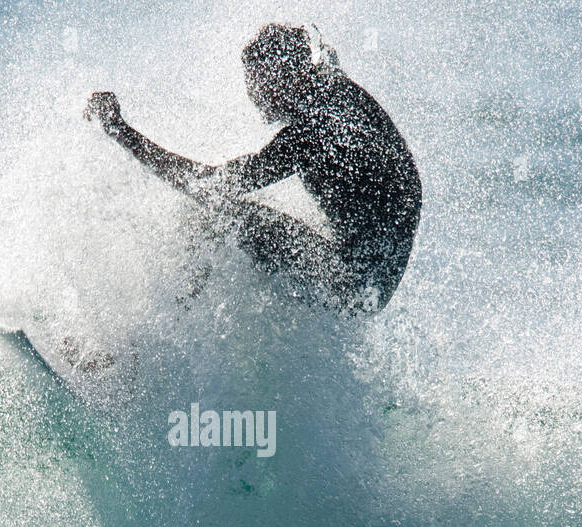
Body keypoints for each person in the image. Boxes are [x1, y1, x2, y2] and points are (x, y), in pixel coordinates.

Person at [85, 23, 422, 312]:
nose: (253, 94)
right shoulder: (333, 94)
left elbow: (207, 183)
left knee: (218, 215)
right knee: (246, 226)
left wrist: (120, 129)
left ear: (287, 74)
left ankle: (158, 338)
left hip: (352, 286)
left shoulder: (313, 130)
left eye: (260, 83)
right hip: (366, 286)